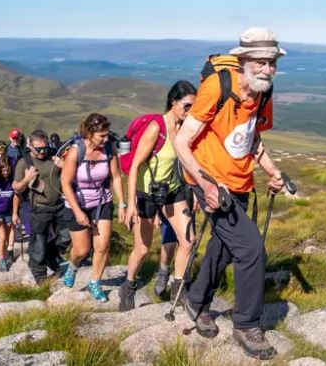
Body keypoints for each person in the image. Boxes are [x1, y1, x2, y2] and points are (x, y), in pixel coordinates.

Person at [173, 27, 286, 360]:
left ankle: (195, 302)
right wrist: (205, 184)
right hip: (209, 180)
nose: (268, 69)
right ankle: (247, 324)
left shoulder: (263, 92)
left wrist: (273, 172)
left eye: (273, 63)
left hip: (240, 181)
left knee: (223, 248)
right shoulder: (217, 87)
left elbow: (251, 139)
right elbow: (182, 142)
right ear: (244, 60)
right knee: (251, 249)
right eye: (261, 62)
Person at [119, 80, 197, 311]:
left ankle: (179, 289)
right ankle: (129, 286)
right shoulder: (156, 128)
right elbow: (134, 167)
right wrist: (131, 203)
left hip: (172, 190)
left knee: (188, 240)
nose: (190, 111)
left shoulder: (185, 129)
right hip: (146, 194)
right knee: (142, 249)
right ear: (173, 102)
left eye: (194, 106)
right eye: (186, 105)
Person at [60, 113, 125, 302]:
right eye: (101, 136)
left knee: (103, 246)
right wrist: (78, 211)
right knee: (82, 250)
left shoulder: (109, 148)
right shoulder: (75, 151)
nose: (106, 139)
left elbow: (117, 177)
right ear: (89, 133)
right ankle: (72, 266)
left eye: (107, 135)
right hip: (77, 202)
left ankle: (95, 282)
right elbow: (65, 183)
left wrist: (121, 203)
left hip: (101, 201)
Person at [13, 129, 69, 284]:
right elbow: (16, 187)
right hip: (39, 209)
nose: (42, 151)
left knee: (66, 236)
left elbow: (72, 174)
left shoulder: (54, 156)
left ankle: (51, 255)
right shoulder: (24, 162)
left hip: (60, 206)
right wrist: (26, 180)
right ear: (30, 146)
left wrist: (65, 166)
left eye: (45, 148)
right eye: (38, 149)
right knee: (38, 243)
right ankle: (40, 277)